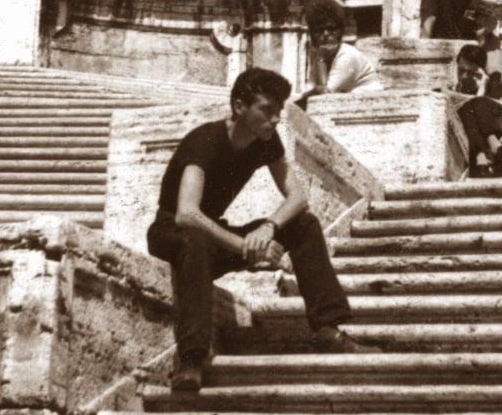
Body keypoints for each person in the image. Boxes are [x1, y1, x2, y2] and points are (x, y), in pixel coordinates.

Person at [146, 67, 353, 395]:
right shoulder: (205, 140)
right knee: (195, 240)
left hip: (215, 236)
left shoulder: (265, 142)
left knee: (304, 224)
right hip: (173, 233)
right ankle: (191, 360)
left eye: (278, 112)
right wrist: (246, 245)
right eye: (267, 111)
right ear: (240, 107)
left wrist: (269, 228)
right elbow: (186, 214)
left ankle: (327, 327)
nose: (275, 120)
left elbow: (298, 197)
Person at [296, 3, 381, 102]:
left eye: (331, 29)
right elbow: (309, 92)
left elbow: (324, 95)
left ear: (340, 31)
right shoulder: (320, 57)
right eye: (319, 30)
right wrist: (315, 89)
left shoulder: (347, 56)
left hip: (370, 104)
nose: (326, 34)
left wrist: (321, 60)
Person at [456, 69, 502, 179]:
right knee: (469, 108)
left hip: (489, 114)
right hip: (474, 119)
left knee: (475, 104)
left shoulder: (489, 78)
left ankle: (481, 159)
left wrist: (484, 82)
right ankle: (494, 149)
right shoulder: (460, 85)